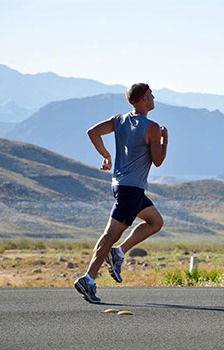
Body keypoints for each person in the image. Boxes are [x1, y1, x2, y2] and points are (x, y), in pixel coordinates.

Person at [74, 83, 168, 303]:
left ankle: (118, 253)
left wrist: (106, 155)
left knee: (155, 222)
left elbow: (93, 132)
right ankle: (88, 278)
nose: (154, 98)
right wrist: (165, 139)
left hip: (122, 185)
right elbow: (158, 161)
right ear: (144, 98)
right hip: (131, 190)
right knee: (110, 235)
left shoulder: (119, 120)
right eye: (151, 95)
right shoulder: (152, 128)